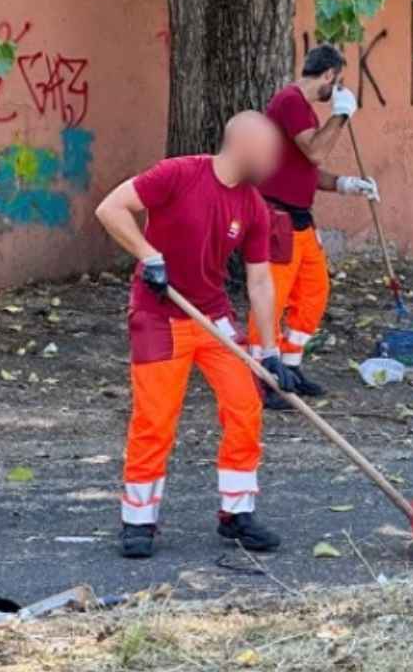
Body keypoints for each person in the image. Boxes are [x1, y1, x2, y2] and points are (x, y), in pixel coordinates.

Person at [95, 112, 299, 559]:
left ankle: (237, 514)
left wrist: (269, 353)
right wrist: (148, 256)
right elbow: (110, 208)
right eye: (268, 150)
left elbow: (261, 281)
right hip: (159, 316)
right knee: (155, 418)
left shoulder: (253, 206)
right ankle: (139, 519)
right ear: (242, 144)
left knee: (245, 405)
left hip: (213, 318)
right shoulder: (179, 173)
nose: (274, 161)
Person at [247, 44, 379, 409]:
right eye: (336, 82)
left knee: (313, 293)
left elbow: (307, 170)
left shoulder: (301, 109)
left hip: (301, 218)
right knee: (271, 299)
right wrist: (341, 116)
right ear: (328, 74)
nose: (335, 90)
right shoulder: (289, 102)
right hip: (278, 218)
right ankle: (263, 376)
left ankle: (290, 366)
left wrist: (345, 184)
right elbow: (316, 152)